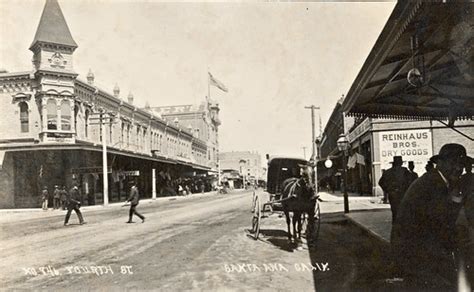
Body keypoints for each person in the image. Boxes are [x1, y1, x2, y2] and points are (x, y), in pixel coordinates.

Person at [392, 143, 471, 288]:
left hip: (420, 251)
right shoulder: (433, 184)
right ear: (439, 163)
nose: (458, 168)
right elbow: (440, 224)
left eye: (461, 164)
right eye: (453, 163)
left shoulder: (439, 180)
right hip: (418, 254)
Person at [378, 156, 410, 223]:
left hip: (393, 194)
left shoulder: (387, 172)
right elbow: (410, 181)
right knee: (403, 211)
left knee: (394, 211)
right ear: (401, 163)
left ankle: (395, 225)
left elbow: (380, 182)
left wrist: (387, 190)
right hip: (403, 194)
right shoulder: (405, 171)